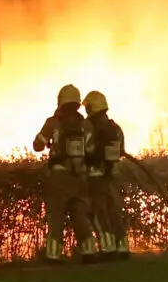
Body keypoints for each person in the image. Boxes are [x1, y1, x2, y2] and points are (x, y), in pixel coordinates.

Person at [30, 83, 90, 260]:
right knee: (80, 215)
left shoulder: (53, 123)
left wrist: (50, 142)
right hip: (80, 176)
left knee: (56, 215)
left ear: (60, 102)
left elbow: (37, 145)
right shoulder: (86, 125)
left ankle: (53, 253)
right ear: (78, 103)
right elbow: (92, 150)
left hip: (59, 177)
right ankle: (89, 251)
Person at [82, 90, 130, 261]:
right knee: (114, 211)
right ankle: (123, 246)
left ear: (90, 108)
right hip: (112, 176)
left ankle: (108, 247)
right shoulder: (115, 128)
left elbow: (84, 149)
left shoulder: (88, 126)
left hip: (95, 177)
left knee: (98, 212)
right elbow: (121, 150)